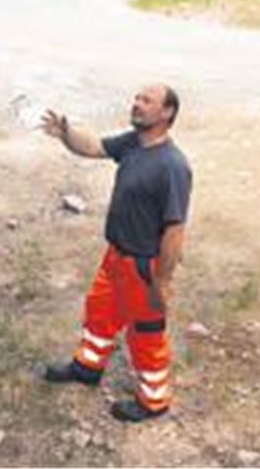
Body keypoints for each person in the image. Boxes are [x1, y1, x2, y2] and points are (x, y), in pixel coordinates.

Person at [41, 85, 193, 423]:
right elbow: (93, 146)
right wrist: (66, 133)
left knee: (145, 334)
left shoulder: (172, 166)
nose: (136, 104)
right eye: (137, 98)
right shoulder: (134, 143)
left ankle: (154, 401)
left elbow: (175, 230)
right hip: (116, 256)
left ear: (167, 113)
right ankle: (87, 367)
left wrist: (162, 282)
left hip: (144, 266)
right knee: (99, 313)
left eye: (147, 101)